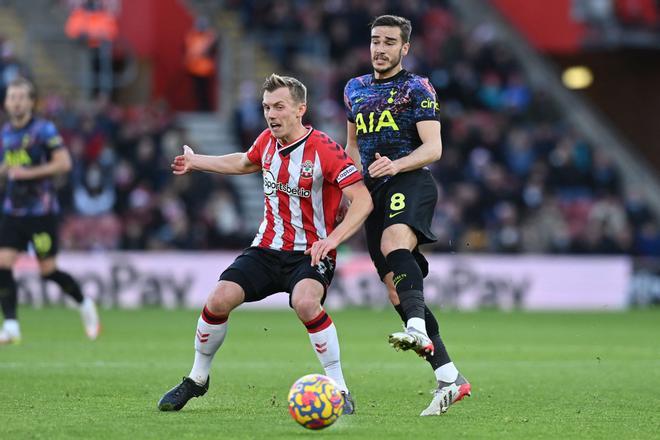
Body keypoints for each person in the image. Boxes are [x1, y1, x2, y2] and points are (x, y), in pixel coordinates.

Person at [157, 74, 372, 413]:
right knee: (218, 299)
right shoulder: (266, 142)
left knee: (305, 303)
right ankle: (197, 379)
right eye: (266, 107)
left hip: (310, 252)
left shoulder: (326, 151)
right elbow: (244, 161)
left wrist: (332, 240)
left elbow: (362, 200)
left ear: (300, 109)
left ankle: (340, 389)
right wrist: (197, 161)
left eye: (279, 107)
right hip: (266, 248)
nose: (271, 114)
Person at [343, 15, 471, 416]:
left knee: (393, 242)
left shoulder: (417, 87)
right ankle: (450, 377)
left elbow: (434, 148)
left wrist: (395, 166)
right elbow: (351, 146)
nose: (379, 48)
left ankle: (416, 329)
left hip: (410, 179)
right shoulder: (354, 88)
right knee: (396, 290)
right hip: (372, 193)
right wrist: (352, 191)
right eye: (375, 41)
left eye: (389, 42)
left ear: (404, 49)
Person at [0, 77, 100, 344]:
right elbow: (6, 169)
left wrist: (29, 172)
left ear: (32, 102)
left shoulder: (43, 130)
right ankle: (11, 326)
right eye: (12, 97)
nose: (16, 102)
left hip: (41, 212)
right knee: (2, 263)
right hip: (12, 211)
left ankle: (84, 302)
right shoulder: (5, 133)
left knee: (48, 271)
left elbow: (64, 163)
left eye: (21, 97)